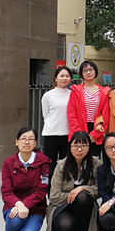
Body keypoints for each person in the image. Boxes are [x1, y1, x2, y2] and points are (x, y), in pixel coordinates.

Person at [0, 127, 51, 231]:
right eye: (23, 139)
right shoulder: (8, 163)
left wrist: (25, 205)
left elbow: (41, 191)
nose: (27, 142)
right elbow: (6, 191)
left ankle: (30, 230)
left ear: (35, 143)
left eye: (31, 139)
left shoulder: (43, 163)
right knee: (15, 219)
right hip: (14, 206)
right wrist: (18, 204)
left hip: (36, 208)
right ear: (17, 142)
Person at [45, 131, 102, 231]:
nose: (79, 149)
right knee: (65, 223)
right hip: (62, 206)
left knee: (83, 196)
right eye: (76, 146)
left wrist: (83, 188)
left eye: (84, 146)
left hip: (86, 207)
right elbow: (54, 196)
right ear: (70, 147)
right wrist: (73, 195)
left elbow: (100, 190)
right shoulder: (61, 165)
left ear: (89, 147)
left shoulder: (96, 164)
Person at [67, 60, 110, 157]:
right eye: (85, 70)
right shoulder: (76, 91)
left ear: (95, 71)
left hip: (96, 129)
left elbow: (105, 115)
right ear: (81, 73)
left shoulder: (104, 92)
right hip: (79, 129)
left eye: (91, 69)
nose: (88, 72)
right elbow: (71, 114)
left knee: (94, 160)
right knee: (79, 159)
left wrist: (96, 134)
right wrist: (80, 134)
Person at [41, 66, 72, 196]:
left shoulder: (72, 95)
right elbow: (46, 115)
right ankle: (50, 193)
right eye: (61, 76)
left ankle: (63, 192)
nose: (64, 78)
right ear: (55, 78)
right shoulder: (48, 95)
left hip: (67, 135)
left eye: (67, 76)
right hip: (51, 135)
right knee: (50, 166)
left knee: (66, 166)